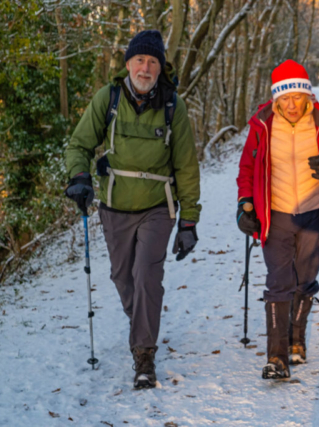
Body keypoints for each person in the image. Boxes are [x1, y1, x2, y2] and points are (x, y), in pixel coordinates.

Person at [64, 30, 201, 389]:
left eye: (153, 61)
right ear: (128, 64)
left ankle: (144, 356)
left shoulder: (173, 106)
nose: (145, 67)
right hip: (115, 206)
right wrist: (80, 176)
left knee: (146, 276)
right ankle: (142, 321)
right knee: (123, 278)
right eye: (140, 60)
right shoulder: (107, 99)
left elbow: (187, 166)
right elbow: (79, 143)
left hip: (158, 207)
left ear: (160, 68)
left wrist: (189, 220)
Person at [236, 60, 319, 379]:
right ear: (275, 99)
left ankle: (297, 337)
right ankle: (277, 357)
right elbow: (247, 170)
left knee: (304, 280)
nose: (291, 105)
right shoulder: (262, 124)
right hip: (274, 216)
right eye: (284, 99)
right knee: (278, 283)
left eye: (297, 97)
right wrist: (245, 203)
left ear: (308, 95)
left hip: (314, 214)